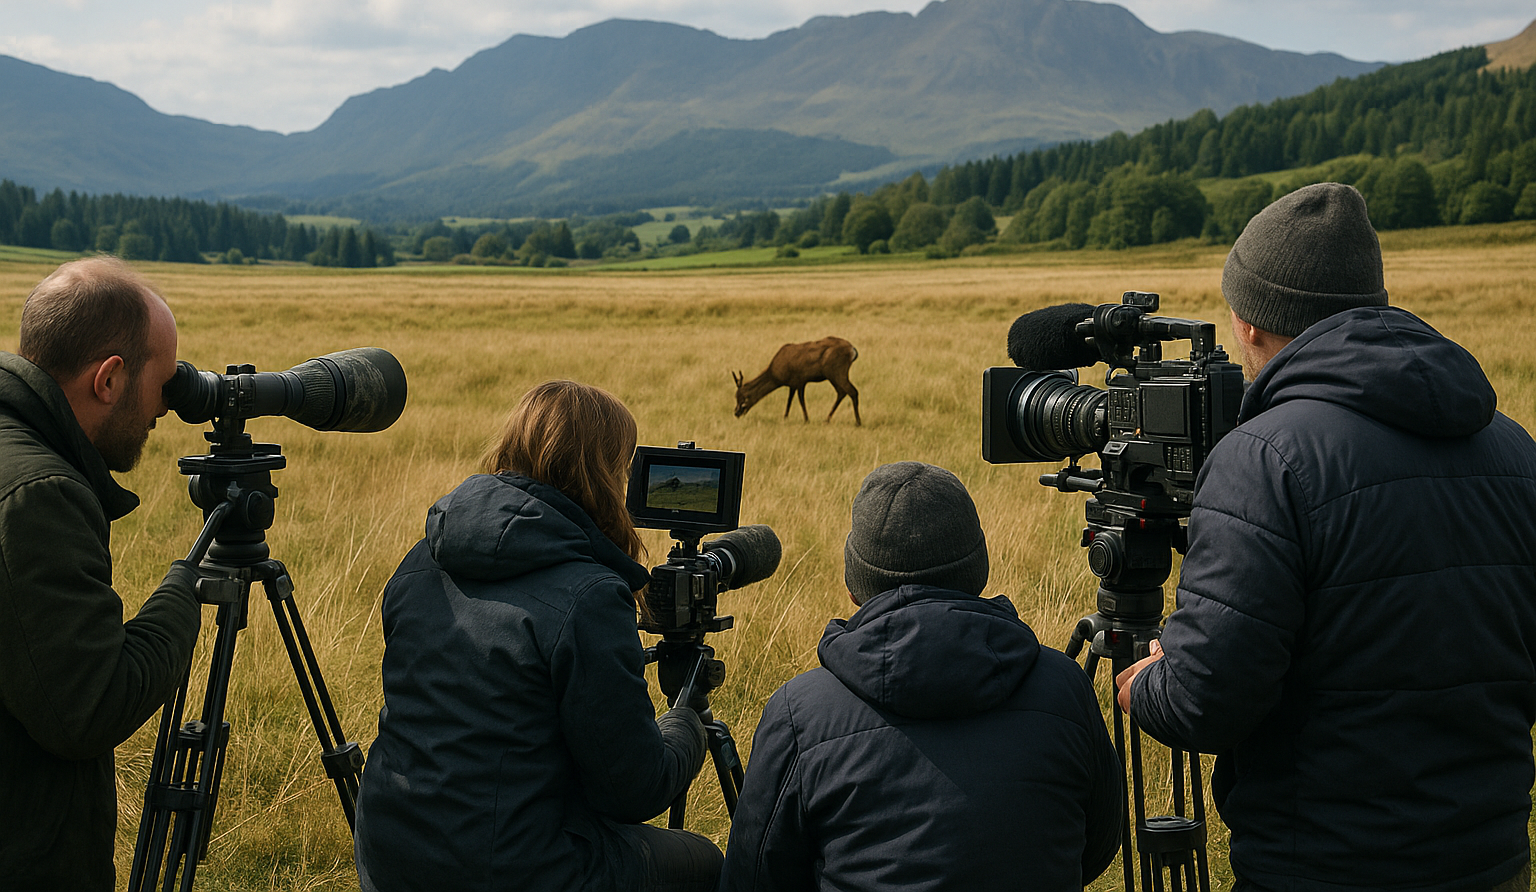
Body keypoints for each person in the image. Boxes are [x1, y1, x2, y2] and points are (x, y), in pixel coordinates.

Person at [1116, 183, 1536, 892]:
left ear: (1250, 322)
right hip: (1489, 859)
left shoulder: (1265, 460)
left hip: (1322, 866)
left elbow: (1205, 701)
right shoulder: (1512, 448)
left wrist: (1144, 682)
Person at [353, 379, 719, 892]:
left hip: (389, 851)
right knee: (704, 861)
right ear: (603, 474)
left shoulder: (421, 559)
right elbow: (632, 791)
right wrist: (688, 726)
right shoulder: (589, 594)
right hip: (514, 869)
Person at [719, 461, 1122, 892]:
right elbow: (1097, 843)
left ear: (854, 584)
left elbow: (755, 876)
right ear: (978, 571)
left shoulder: (800, 712)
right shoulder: (1065, 685)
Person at [0, 256, 203, 891]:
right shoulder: (41, 495)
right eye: (163, 384)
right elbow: (89, 707)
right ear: (109, 380)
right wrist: (186, 592)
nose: (167, 408)